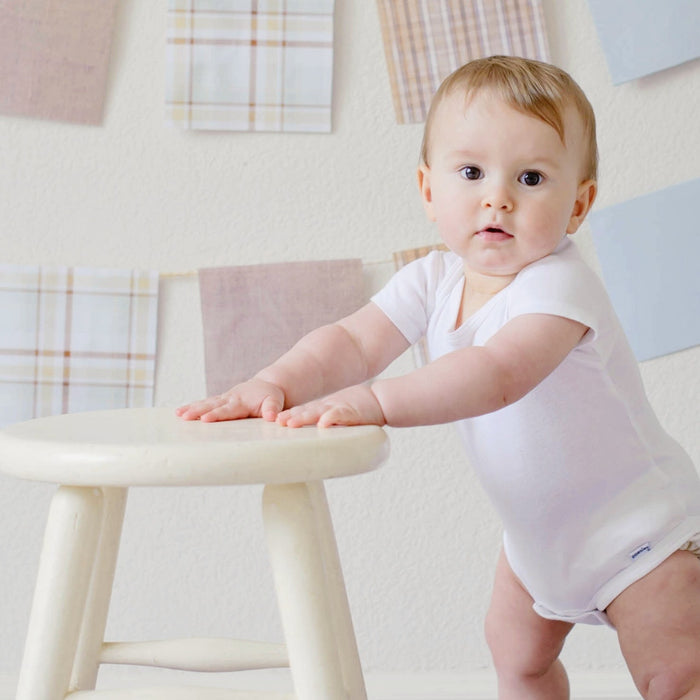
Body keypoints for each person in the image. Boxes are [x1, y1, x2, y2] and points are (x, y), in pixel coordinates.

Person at [178, 56, 700, 699]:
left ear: (579, 205)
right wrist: (277, 381)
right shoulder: (432, 280)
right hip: (539, 541)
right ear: (429, 190)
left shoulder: (561, 287)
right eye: (472, 172)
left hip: (639, 532)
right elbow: (351, 340)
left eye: (531, 177)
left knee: (674, 674)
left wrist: (374, 401)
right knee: (518, 659)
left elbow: (496, 373)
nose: (498, 197)